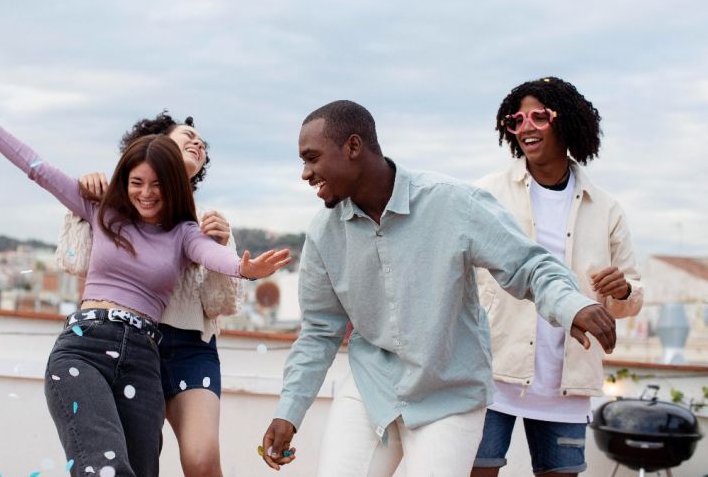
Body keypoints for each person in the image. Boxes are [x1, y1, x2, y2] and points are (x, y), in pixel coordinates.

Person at [0, 78, 290, 477]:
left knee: (151, 469)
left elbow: (214, 259)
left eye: (157, 184)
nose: (145, 193)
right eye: (137, 182)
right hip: (87, 344)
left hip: (148, 355)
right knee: (106, 469)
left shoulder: (188, 230)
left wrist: (246, 268)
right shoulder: (104, 210)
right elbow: (35, 167)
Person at [259, 100, 618, 476]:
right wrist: (289, 410)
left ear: (352, 147)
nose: (305, 173)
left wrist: (570, 304)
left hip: (450, 394)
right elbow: (319, 331)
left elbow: (527, 265)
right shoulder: (323, 233)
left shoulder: (452, 203)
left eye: (312, 158)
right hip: (372, 386)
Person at [471, 77, 643, 477]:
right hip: (492, 373)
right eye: (517, 119)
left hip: (568, 381)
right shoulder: (487, 195)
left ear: (567, 122)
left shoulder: (606, 208)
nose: (526, 126)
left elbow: (631, 299)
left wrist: (624, 290)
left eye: (539, 116)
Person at [74, 111, 243, 477]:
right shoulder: (124, 206)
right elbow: (75, 262)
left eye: (201, 141)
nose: (198, 143)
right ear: (158, 143)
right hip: (127, 343)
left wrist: (223, 245)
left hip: (191, 350)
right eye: (187, 136)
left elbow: (222, 304)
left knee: (202, 460)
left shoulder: (211, 220)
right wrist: (84, 195)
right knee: (131, 462)